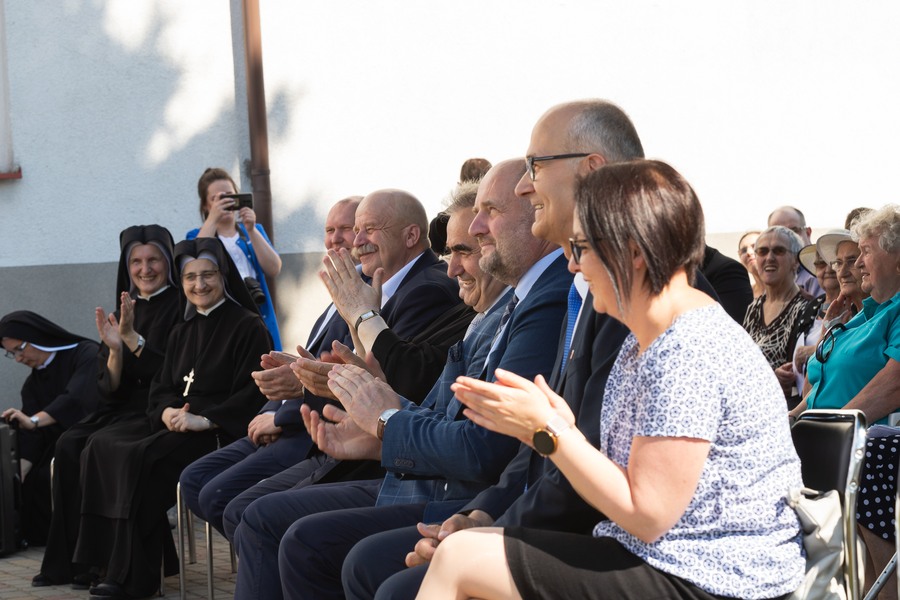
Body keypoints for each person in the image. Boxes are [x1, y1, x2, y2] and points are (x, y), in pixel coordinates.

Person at [417, 160, 805, 600]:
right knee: (466, 552)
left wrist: (548, 431)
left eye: (581, 248)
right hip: (668, 556)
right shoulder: (650, 337)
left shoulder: (686, 348)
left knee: (460, 561)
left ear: (633, 253)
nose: (572, 265)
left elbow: (647, 515)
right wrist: (551, 426)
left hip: (714, 576)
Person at [342, 98, 643, 600]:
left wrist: (493, 530)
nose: (528, 185)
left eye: (536, 167)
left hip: (631, 549)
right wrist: (482, 516)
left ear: (593, 171)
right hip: (551, 513)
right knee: (362, 563)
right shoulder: (586, 291)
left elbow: (620, 490)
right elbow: (537, 454)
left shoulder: (637, 300)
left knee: (376, 572)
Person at [230, 159, 569, 600]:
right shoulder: (502, 306)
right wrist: (373, 427)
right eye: (454, 250)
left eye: (466, 247)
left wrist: (383, 416)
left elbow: (481, 443)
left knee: (299, 537)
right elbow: (433, 406)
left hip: (447, 490)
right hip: (418, 473)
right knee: (255, 513)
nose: (454, 267)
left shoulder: (488, 295)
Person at [215, 188, 465, 543]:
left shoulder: (429, 289)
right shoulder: (371, 283)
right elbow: (365, 367)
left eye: (369, 229)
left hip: (378, 454)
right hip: (342, 436)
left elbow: (403, 379)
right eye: (349, 230)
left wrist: (313, 379)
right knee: (237, 507)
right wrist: (309, 372)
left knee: (255, 516)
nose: (355, 241)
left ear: (411, 236)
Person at [71, 237, 271, 600]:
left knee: (139, 459)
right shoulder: (182, 329)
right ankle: (101, 565)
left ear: (223, 276)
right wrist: (164, 411)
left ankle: (135, 578)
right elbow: (161, 385)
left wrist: (207, 420)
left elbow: (255, 391)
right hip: (175, 424)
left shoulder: (247, 326)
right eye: (190, 277)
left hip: (217, 432)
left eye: (208, 275)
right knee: (101, 444)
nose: (199, 285)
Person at [178, 197, 363, 537]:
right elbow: (301, 368)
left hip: (307, 431)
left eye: (346, 229)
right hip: (278, 420)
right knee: (194, 480)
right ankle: (256, 558)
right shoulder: (337, 297)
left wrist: (278, 417)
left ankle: (259, 563)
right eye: (329, 230)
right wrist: (269, 409)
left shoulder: (365, 298)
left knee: (224, 500)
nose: (336, 238)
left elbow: (344, 379)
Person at [34, 225, 181, 588]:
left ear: (168, 262)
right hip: (120, 407)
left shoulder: (183, 305)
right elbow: (109, 387)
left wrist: (134, 340)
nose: (145, 269)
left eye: (153, 260)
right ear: (126, 266)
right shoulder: (124, 306)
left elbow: (171, 371)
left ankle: (107, 564)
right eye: (136, 262)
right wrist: (115, 349)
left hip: (157, 408)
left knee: (105, 448)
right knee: (69, 444)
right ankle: (76, 561)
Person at [788, 205, 900, 592]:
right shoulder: (865, 313)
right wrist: (792, 421)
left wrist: (824, 429)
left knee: (870, 448)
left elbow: (895, 383)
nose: (855, 265)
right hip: (837, 439)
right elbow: (819, 383)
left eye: (865, 252)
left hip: (869, 443)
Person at [0, 312, 100, 547]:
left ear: (36, 337)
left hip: (92, 434)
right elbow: (30, 434)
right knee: (31, 480)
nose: (18, 358)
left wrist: (33, 420)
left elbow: (76, 399)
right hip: (55, 444)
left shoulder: (85, 353)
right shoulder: (32, 384)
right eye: (12, 353)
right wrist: (18, 471)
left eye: (20, 349)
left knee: (57, 473)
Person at [188, 167, 283, 349]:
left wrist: (251, 229)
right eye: (216, 199)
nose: (224, 202)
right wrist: (213, 220)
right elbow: (196, 258)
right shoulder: (196, 235)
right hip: (222, 321)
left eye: (229, 196)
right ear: (206, 206)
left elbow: (274, 268)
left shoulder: (253, 231)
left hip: (258, 316)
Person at [742, 225, 818, 404]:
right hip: (750, 403)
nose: (769, 258)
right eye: (762, 251)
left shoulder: (808, 308)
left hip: (786, 409)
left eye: (779, 251)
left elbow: (804, 372)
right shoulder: (753, 309)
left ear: (796, 261)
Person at [768, 205, 824, 298]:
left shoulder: (821, 272)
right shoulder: (770, 275)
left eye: (793, 231)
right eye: (779, 233)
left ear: (808, 232)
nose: (787, 238)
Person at [738, 230, 764, 297]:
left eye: (755, 246)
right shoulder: (744, 295)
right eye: (743, 250)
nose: (749, 252)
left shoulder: (789, 290)